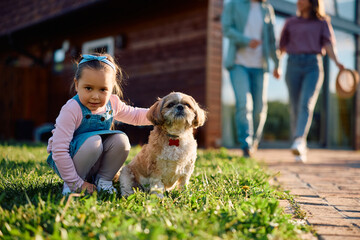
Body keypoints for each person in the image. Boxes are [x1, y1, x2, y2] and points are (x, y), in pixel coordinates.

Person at [47, 53, 152, 195]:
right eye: (88, 88)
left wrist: (158, 114)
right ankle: (72, 186)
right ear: (77, 85)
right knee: (93, 142)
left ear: (111, 88)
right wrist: (75, 182)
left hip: (95, 160)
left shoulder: (112, 103)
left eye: (103, 89)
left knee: (121, 140)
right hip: (71, 164)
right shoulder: (72, 109)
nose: (95, 96)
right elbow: (59, 151)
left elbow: (134, 115)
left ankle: (103, 180)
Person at [276, 0, 344, 162]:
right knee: (294, 106)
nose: (298, 2)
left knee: (305, 103)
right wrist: (277, 66)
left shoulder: (322, 23)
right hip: (292, 64)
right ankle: (299, 142)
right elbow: (282, 47)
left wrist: (337, 61)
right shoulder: (290, 22)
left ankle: (299, 140)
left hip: (313, 65)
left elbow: (328, 45)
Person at [222, 0, 279, 157]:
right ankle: (245, 145)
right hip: (238, 63)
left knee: (260, 108)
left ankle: (254, 142)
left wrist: (277, 63)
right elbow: (226, 29)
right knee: (243, 104)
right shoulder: (234, 4)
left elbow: (272, 39)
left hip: (261, 65)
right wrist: (246, 40)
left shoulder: (267, 9)